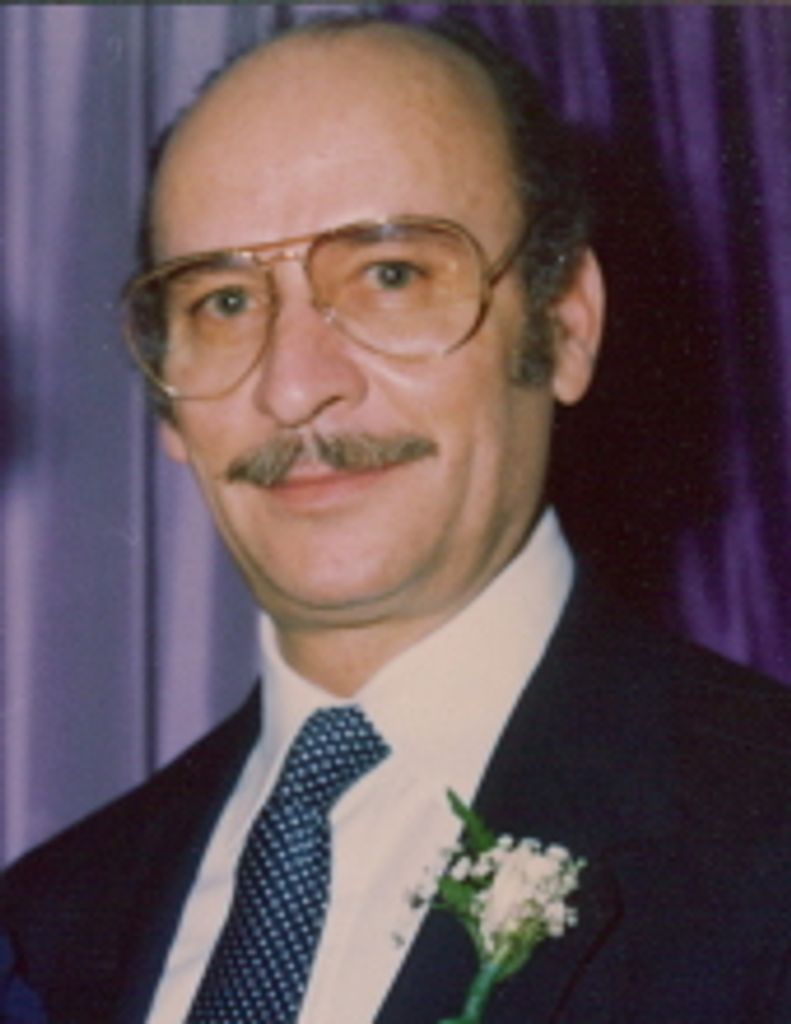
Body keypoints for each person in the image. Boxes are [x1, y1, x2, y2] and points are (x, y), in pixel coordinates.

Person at [3, 14, 791, 1024]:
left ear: (563, 327)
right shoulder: (48, 924)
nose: (295, 387)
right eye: (224, 303)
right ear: (166, 403)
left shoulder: (763, 837)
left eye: (391, 276)